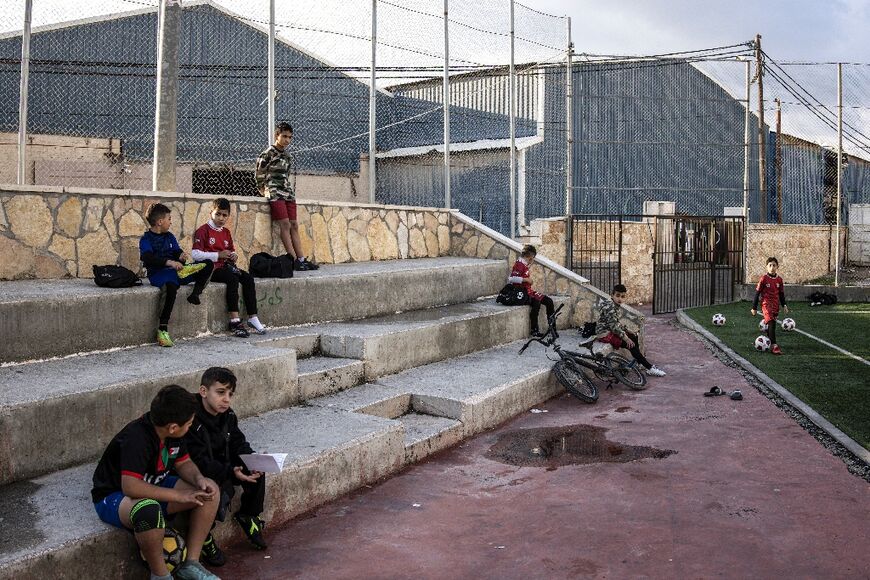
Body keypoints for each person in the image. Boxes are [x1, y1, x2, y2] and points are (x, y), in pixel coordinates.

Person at [91, 385, 221, 580]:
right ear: (173, 427)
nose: (190, 427)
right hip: (116, 496)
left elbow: (183, 462)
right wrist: (180, 495)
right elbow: (131, 487)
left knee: (210, 490)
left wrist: (199, 479)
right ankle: (160, 575)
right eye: (189, 423)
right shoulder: (137, 438)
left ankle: (191, 564)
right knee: (148, 511)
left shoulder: (173, 432)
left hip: (155, 484)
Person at [184, 367, 268, 566]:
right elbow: (197, 460)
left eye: (230, 394)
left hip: (224, 462)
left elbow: (238, 441)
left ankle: (249, 514)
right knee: (212, 488)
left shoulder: (228, 414)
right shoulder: (189, 418)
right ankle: (204, 536)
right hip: (202, 470)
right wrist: (231, 473)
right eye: (221, 392)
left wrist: (251, 457)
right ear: (204, 391)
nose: (226, 399)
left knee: (255, 467)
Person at [140, 203, 214, 347]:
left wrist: (180, 255)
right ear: (160, 222)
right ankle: (162, 329)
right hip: (159, 274)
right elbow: (148, 258)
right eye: (169, 218)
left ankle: (195, 294)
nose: (171, 221)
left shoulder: (169, 236)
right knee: (171, 287)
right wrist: (169, 263)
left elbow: (176, 250)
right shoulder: (146, 239)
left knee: (208, 265)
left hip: (178, 271)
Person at [192, 198, 267, 338]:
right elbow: (195, 255)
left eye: (224, 215)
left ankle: (253, 317)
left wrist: (233, 255)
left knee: (248, 278)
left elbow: (231, 250)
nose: (221, 218)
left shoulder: (226, 232)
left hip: (226, 266)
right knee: (232, 279)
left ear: (228, 216)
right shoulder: (203, 231)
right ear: (211, 213)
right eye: (218, 214)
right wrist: (217, 255)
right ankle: (234, 321)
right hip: (211, 270)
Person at [255, 121, 319, 271]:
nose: (287, 140)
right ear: (277, 135)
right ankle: (292, 260)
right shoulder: (267, 154)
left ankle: (301, 259)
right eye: (284, 136)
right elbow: (259, 174)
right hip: (275, 192)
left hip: (287, 192)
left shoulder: (288, 156)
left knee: (294, 225)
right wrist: (264, 190)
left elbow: (286, 174)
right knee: (285, 224)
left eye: (290, 137)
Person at [596, 284, 667, 377]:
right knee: (631, 345)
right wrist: (626, 338)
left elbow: (616, 323)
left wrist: (628, 330)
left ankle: (640, 362)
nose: (620, 299)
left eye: (622, 296)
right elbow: (614, 327)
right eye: (617, 295)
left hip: (610, 331)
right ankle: (649, 368)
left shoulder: (614, 305)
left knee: (634, 336)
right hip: (605, 334)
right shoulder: (610, 307)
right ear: (612, 295)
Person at [508, 245, 554, 337]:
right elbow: (511, 279)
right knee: (536, 303)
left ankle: (552, 328)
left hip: (529, 291)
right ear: (530, 257)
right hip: (522, 293)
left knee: (548, 301)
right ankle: (534, 330)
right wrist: (526, 280)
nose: (532, 261)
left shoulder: (524, 264)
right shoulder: (519, 264)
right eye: (533, 258)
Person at [751, 256, 789, 355]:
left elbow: (781, 294)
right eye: (770, 265)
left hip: (775, 304)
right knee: (771, 322)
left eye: (774, 265)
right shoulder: (764, 279)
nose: (772, 267)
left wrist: (784, 305)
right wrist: (754, 307)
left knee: (773, 324)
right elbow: (757, 293)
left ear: (777, 267)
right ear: (767, 267)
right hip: (766, 304)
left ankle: (769, 341)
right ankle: (774, 346)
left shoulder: (779, 280)